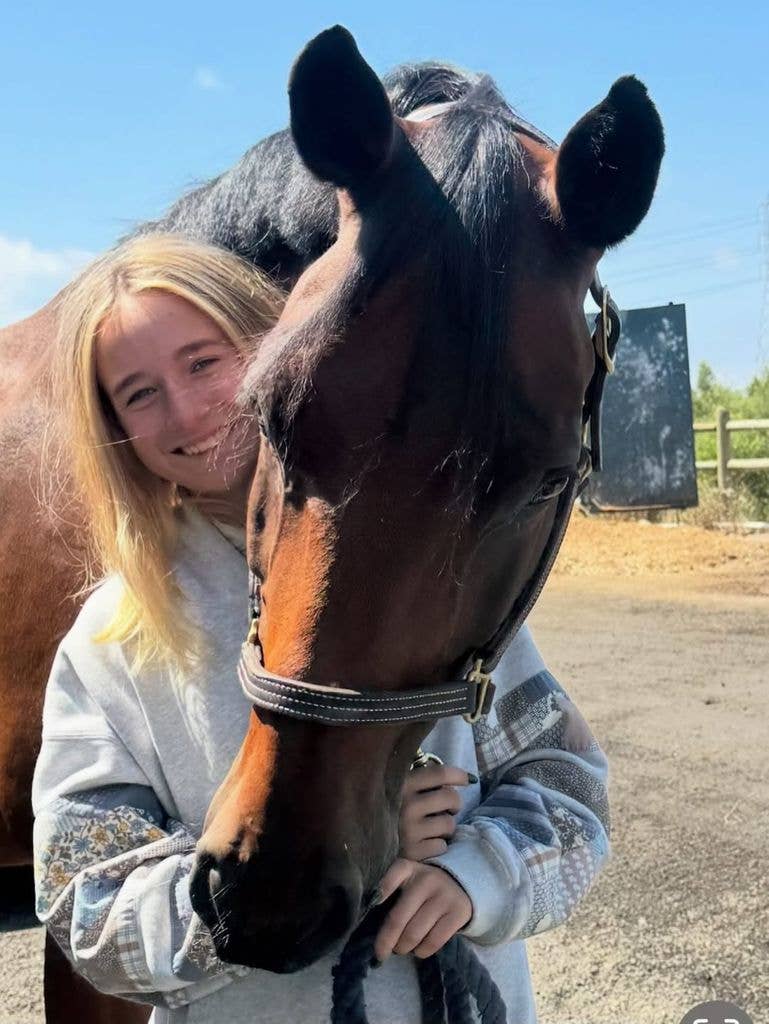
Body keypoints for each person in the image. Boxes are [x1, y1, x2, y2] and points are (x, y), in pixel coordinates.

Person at [33, 233, 612, 1024]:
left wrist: (478, 874)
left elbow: (566, 782)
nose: (187, 409)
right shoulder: (113, 637)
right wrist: (315, 854)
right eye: (138, 393)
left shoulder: (421, 562)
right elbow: (84, 905)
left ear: (277, 348)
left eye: (204, 361)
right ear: (115, 427)